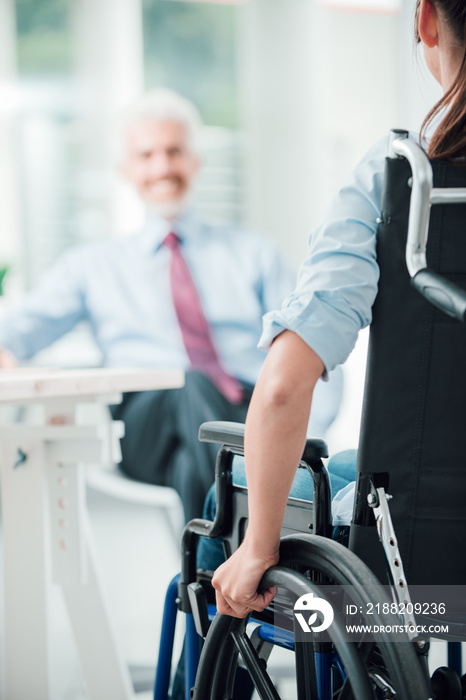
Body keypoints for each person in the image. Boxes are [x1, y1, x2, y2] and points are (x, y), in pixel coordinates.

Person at [210, 0, 466, 617]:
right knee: (351, 466)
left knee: (243, 499)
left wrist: (257, 547)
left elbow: (281, 390)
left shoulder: (401, 180)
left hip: (419, 539)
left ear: (427, 19)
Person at [0, 89, 342, 522]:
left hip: (244, 413)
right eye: (146, 155)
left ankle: (197, 578)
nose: (162, 166)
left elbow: (308, 349)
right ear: (125, 170)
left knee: (193, 459)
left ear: (196, 160)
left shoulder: (254, 253)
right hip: (144, 425)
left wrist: (305, 439)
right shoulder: (91, 266)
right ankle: (240, 545)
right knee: (189, 386)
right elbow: (23, 327)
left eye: (174, 151)